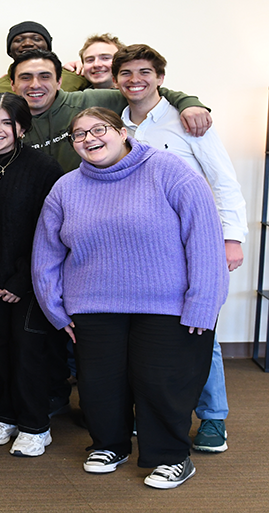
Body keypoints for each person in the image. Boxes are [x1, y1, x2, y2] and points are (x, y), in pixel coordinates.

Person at [32, 107, 228, 489]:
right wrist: (55, 309)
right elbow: (46, 253)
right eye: (79, 135)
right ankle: (110, 445)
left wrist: (203, 304)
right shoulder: (66, 188)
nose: (89, 139)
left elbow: (204, 241)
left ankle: (171, 457)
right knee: (100, 384)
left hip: (166, 306)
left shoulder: (169, 171)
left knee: (161, 384)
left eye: (98, 129)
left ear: (123, 132)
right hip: (92, 305)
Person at [114, 44, 245, 455]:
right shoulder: (114, 125)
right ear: (116, 80)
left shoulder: (187, 121)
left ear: (161, 78)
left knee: (202, 328)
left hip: (193, 242)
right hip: (138, 249)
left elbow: (223, 180)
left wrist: (232, 237)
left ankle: (213, 419)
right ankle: (151, 412)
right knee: (147, 335)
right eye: (127, 73)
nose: (136, 80)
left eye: (144, 72)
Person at [0, 93, 65, 458]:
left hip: (31, 282)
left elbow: (49, 231)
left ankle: (36, 424)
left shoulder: (44, 168)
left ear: (21, 128)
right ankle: (5, 414)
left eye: (7, 122)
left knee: (28, 351)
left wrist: (22, 280)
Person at [8, 49, 212, 172]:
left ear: (59, 81)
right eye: (26, 77)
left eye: (45, 76)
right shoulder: (4, 121)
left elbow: (145, 91)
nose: (35, 84)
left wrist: (188, 103)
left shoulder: (93, 101)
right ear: (12, 84)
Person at [0, 21, 89, 94]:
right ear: (9, 50)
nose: (27, 43)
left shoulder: (76, 78)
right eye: (19, 40)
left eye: (37, 39)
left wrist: (90, 66)